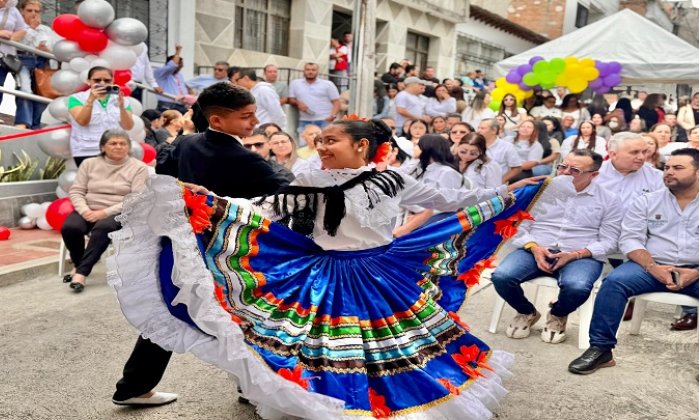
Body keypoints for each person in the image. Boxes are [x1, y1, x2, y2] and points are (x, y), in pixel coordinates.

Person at [110, 115, 544, 418]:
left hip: (379, 273)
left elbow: (450, 202)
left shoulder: (392, 179)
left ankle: (392, 403)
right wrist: (206, 201)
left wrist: (511, 192)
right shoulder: (310, 179)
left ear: (361, 146)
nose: (322, 147)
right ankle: (328, 406)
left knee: (393, 347)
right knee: (320, 348)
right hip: (324, 274)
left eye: (331, 140)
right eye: (319, 141)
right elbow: (269, 210)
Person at [115, 82, 292, 407]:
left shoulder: (184, 144)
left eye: (253, 115)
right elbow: (286, 189)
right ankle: (250, 386)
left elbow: (163, 180)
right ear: (217, 120)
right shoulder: (241, 157)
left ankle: (134, 385)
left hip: (178, 243)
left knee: (170, 310)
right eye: (246, 117)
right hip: (224, 252)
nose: (253, 122)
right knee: (244, 315)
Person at [569, 149, 699, 375]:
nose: (668, 172)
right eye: (667, 167)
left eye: (678, 168)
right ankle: (601, 349)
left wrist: (696, 273)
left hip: (695, 269)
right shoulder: (648, 201)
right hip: (650, 266)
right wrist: (652, 267)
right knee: (614, 283)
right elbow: (630, 239)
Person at [493, 149, 621, 343]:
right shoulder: (539, 190)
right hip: (535, 247)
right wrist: (534, 248)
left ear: (593, 175)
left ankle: (558, 313)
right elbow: (518, 226)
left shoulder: (609, 199)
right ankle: (526, 311)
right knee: (502, 276)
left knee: (577, 287)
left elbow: (609, 241)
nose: (565, 172)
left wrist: (574, 255)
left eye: (575, 170)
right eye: (562, 166)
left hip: (580, 255)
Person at [62, 129, 147, 293]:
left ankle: (80, 273)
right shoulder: (89, 164)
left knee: (103, 228)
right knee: (70, 228)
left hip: (119, 211)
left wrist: (104, 213)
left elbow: (135, 198)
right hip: (88, 207)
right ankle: (79, 263)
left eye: (123, 143)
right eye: (113, 143)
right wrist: (85, 210)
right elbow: (76, 191)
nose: (118, 146)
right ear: (102, 147)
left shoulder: (139, 167)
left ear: (129, 147)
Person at [393, 134, 468, 237]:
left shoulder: (447, 172)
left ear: (427, 148)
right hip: (416, 215)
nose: (413, 148)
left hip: (437, 221)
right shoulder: (417, 165)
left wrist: (417, 215)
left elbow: (448, 204)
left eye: (417, 145)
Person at [67, 66, 134, 166]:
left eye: (107, 80)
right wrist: (90, 100)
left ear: (112, 82)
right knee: (94, 181)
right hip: (87, 151)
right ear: (89, 81)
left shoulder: (121, 100)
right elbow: (82, 121)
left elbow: (128, 126)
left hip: (115, 150)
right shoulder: (77, 98)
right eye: (97, 80)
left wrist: (122, 108)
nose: (102, 83)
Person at [13, 0, 54, 129]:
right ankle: (23, 122)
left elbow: (54, 47)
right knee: (25, 89)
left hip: (42, 61)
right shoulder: (16, 26)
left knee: (42, 93)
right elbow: (18, 43)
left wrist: (47, 50)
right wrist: (31, 29)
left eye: (36, 11)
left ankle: (35, 124)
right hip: (23, 59)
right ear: (22, 11)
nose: (33, 14)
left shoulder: (46, 29)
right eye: (30, 11)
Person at [289, 63, 340, 136]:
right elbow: (291, 99)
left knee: (324, 145)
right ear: (304, 71)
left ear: (318, 71)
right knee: (304, 146)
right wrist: (298, 103)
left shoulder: (328, 84)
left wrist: (332, 116)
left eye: (313, 70)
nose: (310, 72)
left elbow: (336, 102)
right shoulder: (295, 83)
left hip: (324, 120)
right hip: (304, 121)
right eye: (308, 70)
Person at [477, 118, 522, 183]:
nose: (478, 131)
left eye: (482, 128)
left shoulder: (507, 146)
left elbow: (517, 168)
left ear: (494, 130)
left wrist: (501, 180)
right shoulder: (474, 144)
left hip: (496, 185)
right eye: (478, 128)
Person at [153, 44, 190, 113]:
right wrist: (178, 51)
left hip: (181, 106)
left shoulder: (179, 75)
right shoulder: (161, 73)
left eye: (181, 65)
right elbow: (172, 65)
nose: (180, 67)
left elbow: (183, 88)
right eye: (179, 64)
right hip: (167, 105)